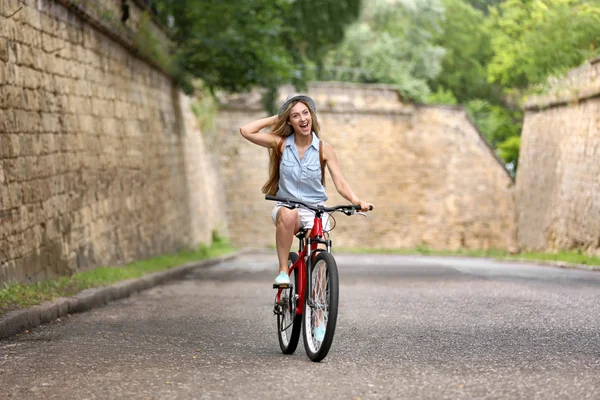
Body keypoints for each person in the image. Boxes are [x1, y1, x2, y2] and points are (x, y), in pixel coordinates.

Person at [240, 94, 373, 286]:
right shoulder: (281, 143)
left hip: (315, 209)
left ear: (311, 116)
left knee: (320, 252)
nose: (303, 119)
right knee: (289, 213)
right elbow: (246, 131)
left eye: (305, 113)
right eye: (295, 116)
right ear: (289, 121)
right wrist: (278, 117)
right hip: (287, 207)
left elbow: (340, 183)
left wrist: (356, 201)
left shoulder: (324, 149)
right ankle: (283, 271)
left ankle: (317, 301)